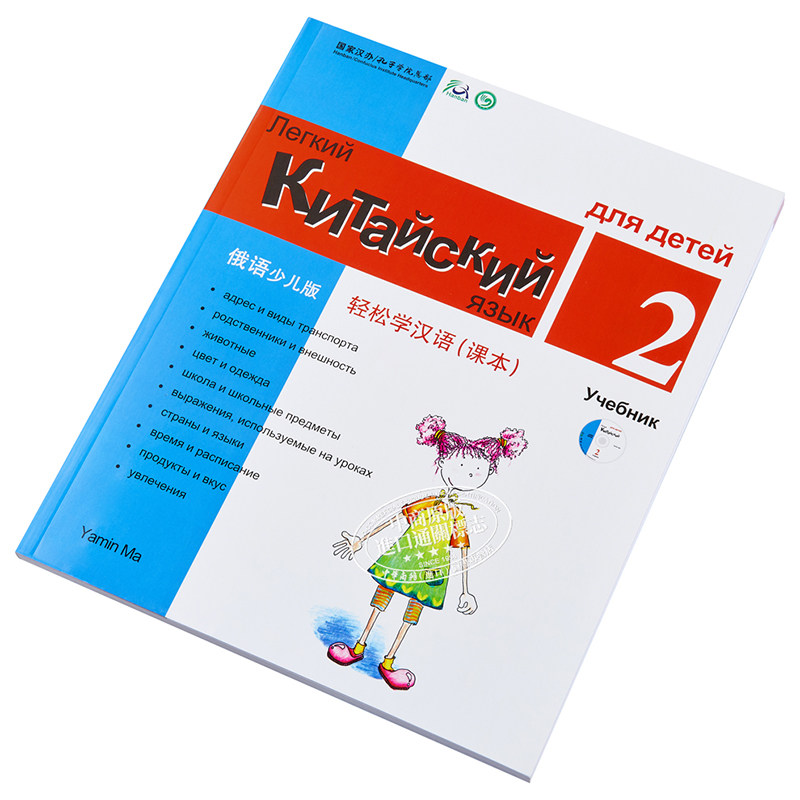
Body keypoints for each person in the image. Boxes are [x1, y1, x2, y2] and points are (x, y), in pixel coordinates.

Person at [328, 414, 527, 690]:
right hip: (403, 556)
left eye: (477, 471)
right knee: (381, 597)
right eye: (461, 466)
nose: (468, 475)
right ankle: (359, 646)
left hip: (432, 568)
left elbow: (462, 550)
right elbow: (397, 517)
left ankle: (388, 661)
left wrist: (465, 590)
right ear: (444, 463)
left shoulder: (459, 515)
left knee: (412, 611)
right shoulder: (429, 501)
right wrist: (362, 538)